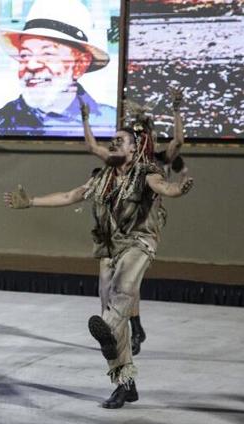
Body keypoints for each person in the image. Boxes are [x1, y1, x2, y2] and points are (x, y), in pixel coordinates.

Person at [4, 127, 193, 409]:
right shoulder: (102, 178)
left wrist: (179, 188)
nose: (114, 144)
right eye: (112, 141)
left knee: (122, 293)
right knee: (112, 316)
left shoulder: (145, 173)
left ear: (133, 149)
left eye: (121, 141)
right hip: (109, 248)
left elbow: (164, 188)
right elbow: (69, 196)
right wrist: (31, 201)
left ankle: (106, 327)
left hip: (139, 243)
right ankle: (125, 384)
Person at [82, 88, 187, 355]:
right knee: (122, 283)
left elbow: (179, 141)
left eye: (145, 134)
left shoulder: (157, 161)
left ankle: (132, 327)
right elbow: (95, 149)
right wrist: (85, 121)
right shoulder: (125, 162)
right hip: (124, 221)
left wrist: (176, 110)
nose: (144, 139)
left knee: (128, 281)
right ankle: (131, 328)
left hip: (146, 222)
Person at [0, 0, 116, 136]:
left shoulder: (109, 124)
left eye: (47, 54)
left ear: (80, 65)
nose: (32, 65)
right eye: (25, 55)